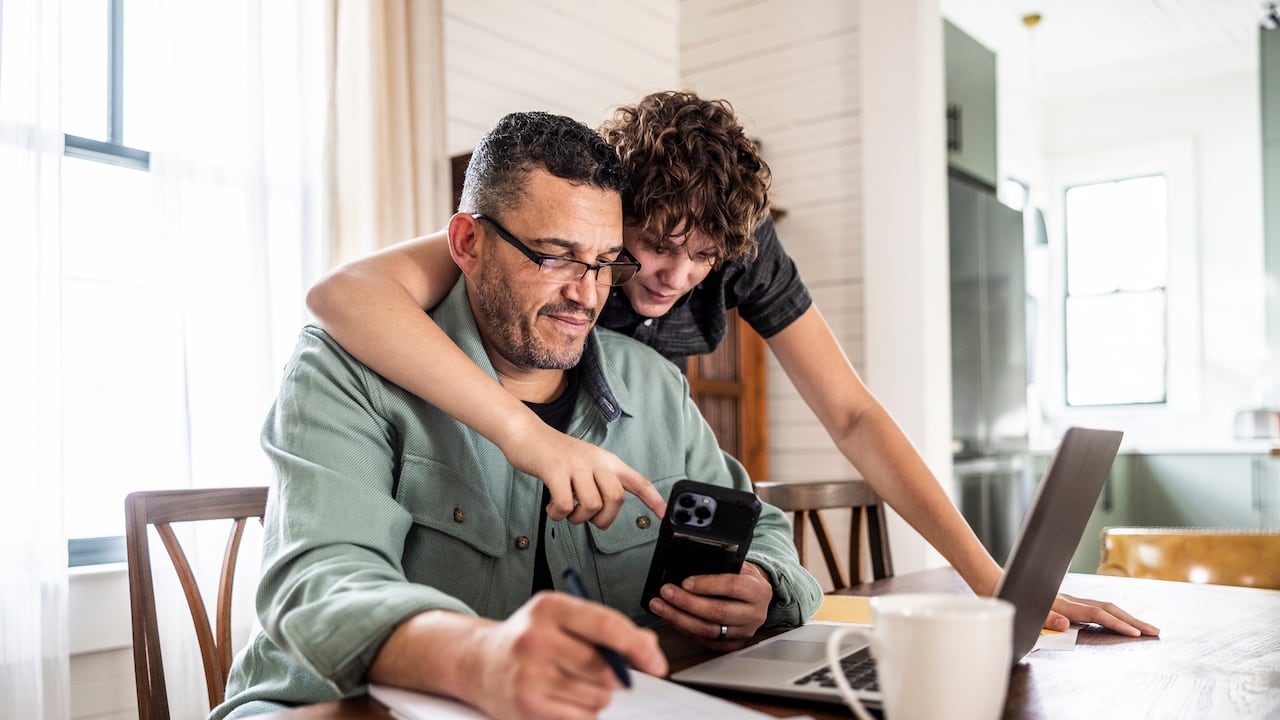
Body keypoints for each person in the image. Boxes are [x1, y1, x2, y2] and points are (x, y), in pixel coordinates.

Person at [306, 91, 1160, 638]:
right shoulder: (549, 239)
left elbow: (853, 415)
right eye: (647, 248)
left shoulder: (684, 330)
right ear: (614, 210)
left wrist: (994, 583)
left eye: (704, 257)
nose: (673, 278)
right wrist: (526, 437)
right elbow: (345, 295)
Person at [211, 111, 822, 720]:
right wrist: (479, 656)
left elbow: (760, 528)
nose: (587, 295)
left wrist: (764, 586)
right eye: (555, 256)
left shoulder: (654, 383)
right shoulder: (345, 368)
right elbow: (319, 587)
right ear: (467, 243)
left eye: (606, 262)